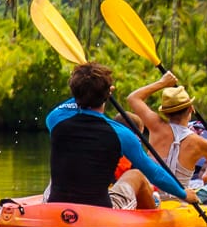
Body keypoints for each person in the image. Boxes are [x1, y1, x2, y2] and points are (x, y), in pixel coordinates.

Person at [46, 62, 192, 210]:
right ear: (109, 93)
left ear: (74, 91)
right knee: (136, 175)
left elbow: (74, 101)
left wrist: (85, 88)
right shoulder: (122, 134)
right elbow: (155, 173)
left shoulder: (55, 120)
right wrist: (183, 194)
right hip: (101, 211)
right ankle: (153, 217)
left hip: (57, 205)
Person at [125, 71, 207, 203]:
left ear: (166, 113)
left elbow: (132, 98)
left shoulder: (155, 125)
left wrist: (162, 83)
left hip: (151, 199)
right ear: (191, 109)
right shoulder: (200, 143)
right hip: (182, 201)